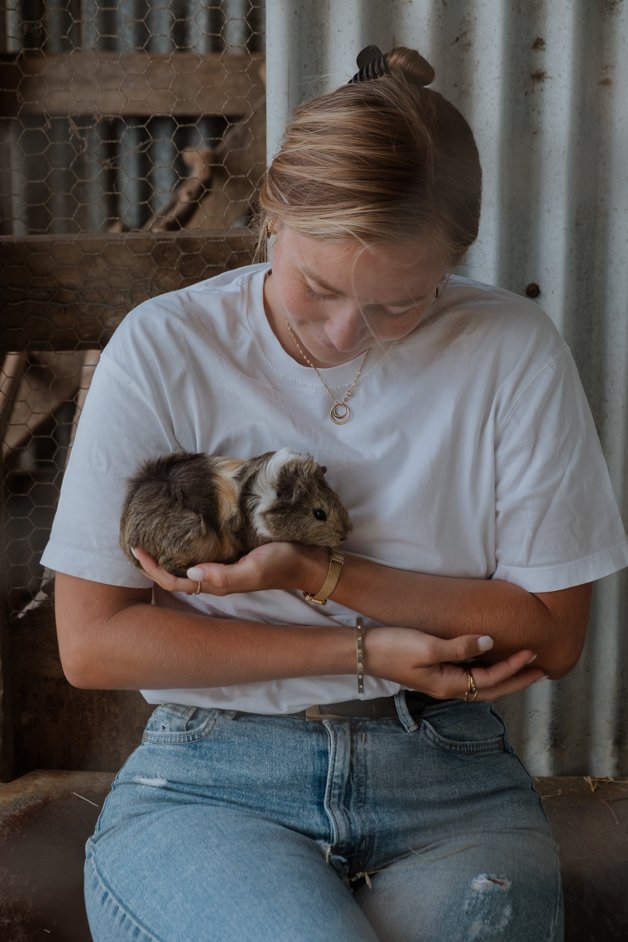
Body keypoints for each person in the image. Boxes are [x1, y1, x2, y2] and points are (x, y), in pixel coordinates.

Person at [42, 45, 628, 942]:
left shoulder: (511, 348)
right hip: (214, 775)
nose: (350, 330)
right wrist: (363, 655)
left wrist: (320, 574)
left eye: (402, 303)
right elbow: (93, 644)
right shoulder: (165, 347)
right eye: (318, 287)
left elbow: (550, 630)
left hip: (447, 774)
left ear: (455, 259)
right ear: (272, 216)